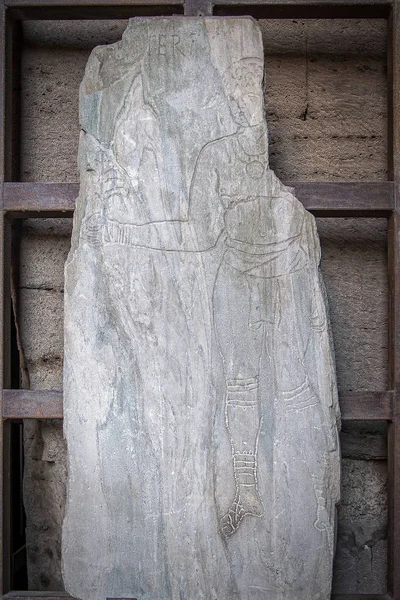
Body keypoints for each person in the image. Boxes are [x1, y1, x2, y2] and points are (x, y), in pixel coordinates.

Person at [83, 56, 340, 541]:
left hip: (285, 282)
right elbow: (197, 235)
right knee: (240, 389)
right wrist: (131, 231)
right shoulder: (214, 159)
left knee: (295, 388)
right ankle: (246, 492)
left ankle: (304, 487)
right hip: (237, 288)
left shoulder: (266, 181)